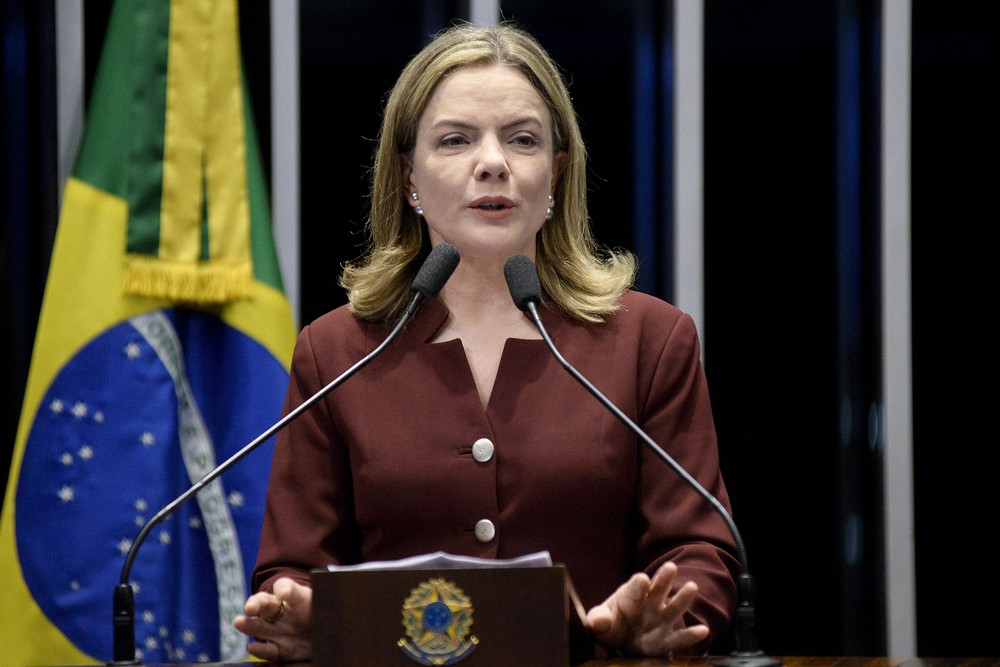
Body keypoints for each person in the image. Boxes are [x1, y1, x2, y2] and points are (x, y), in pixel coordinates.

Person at [234, 21, 739, 662]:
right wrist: (299, 611)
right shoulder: (335, 353)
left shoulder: (649, 340)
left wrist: (662, 613)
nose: (494, 162)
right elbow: (293, 568)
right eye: (456, 140)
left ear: (555, 174)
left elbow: (702, 551)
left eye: (522, 139)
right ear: (409, 176)